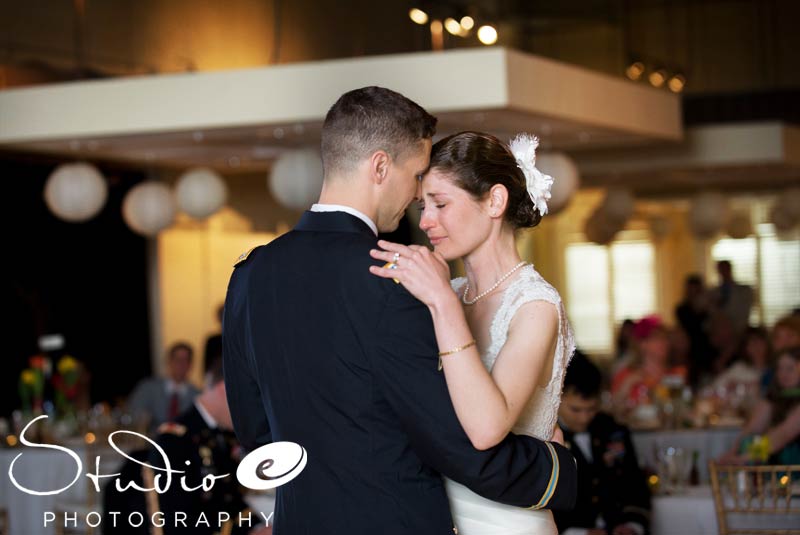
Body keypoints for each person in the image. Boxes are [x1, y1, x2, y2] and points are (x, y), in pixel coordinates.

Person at [223, 88, 577, 535]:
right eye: (415, 178)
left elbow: (255, 431)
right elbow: (450, 440)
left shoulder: (250, 273)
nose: (416, 199)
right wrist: (554, 470)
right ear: (379, 166)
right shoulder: (390, 276)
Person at [369, 130, 575, 534]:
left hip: (507, 520)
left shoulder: (535, 305)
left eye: (441, 204)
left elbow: (486, 429)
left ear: (495, 201)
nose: (425, 222)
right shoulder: (454, 291)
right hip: (433, 515)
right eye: (422, 206)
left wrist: (442, 303)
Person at [103, 356, 270, 534]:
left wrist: (257, 527)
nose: (252, 413)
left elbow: (229, 498)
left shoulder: (220, 435)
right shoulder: (174, 440)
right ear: (225, 389)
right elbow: (177, 519)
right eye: (250, 402)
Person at [553, 353, 650, 535]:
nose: (584, 418)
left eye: (591, 409)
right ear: (557, 398)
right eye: (575, 409)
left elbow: (635, 484)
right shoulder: (545, 437)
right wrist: (578, 533)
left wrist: (631, 524)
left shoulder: (612, 430)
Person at [719, 347, 800, 465]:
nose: (783, 374)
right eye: (780, 369)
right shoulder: (773, 398)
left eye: (790, 369)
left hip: (792, 465)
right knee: (748, 441)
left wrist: (746, 457)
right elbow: (751, 428)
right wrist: (733, 452)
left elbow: (783, 434)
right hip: (773, 457)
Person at [611, 316, 687, 411]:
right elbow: (613, 410)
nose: (664, 343)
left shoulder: (677, 374)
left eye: (665, 338)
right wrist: (627, 385)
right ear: (642, 344)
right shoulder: (625, 376)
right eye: (657, 338)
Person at [127, 342, 200, 434]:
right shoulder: (147, 388)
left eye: (186, 360)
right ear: (169, 362)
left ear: (190, 365)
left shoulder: (198, 396)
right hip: (151, 442)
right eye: (177, 359)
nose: (181, 364)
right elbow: (133, 415)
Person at [708, 260, 754, 337]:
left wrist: (736, 331)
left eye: (725, 269)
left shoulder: (743, 291)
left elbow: (744, 313)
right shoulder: (712, 292)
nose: (723, 272)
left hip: (739, 333)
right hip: (720, 335)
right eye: (721, 270)